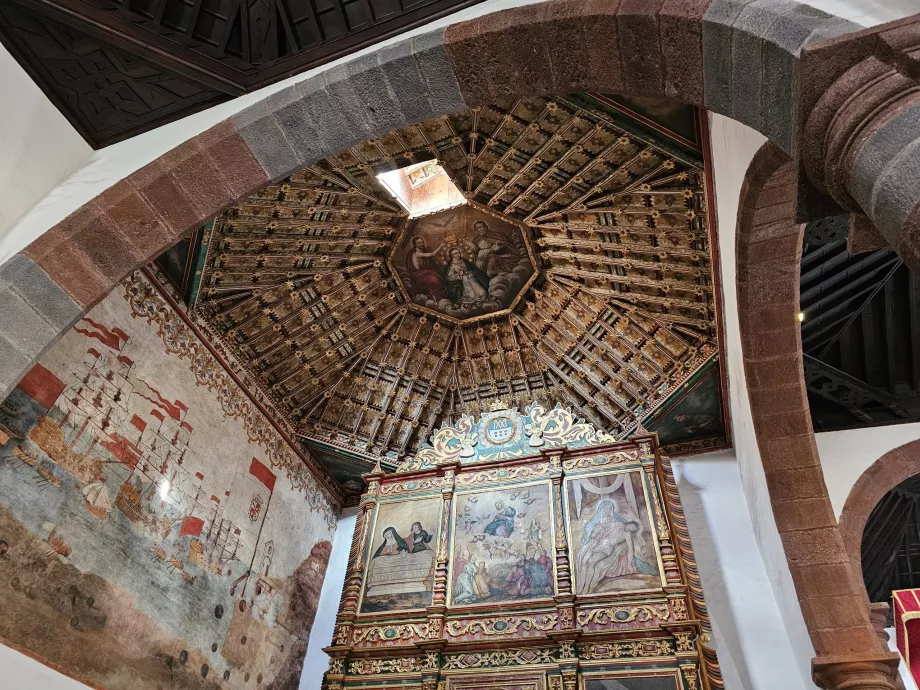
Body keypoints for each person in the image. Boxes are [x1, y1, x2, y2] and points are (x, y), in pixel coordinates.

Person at [575, 499, 657, 595]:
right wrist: (597, 534)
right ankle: (581, 586)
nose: (630, 528)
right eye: (631, 525)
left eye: (633, 529)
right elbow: (603, 530)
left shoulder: (627, 534)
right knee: (584, 561)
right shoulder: (619, 523)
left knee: (591, 562)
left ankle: (588, 588)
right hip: (597, 544)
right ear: (629, 523)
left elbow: (630, 549)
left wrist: (630, 563)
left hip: (606, 548)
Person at [406, 236, 447, 301]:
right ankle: (436, 298)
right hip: (419, 276)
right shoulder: (416, 253)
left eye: (422, 242)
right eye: (419, 243)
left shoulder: (423, 251)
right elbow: (433, 254)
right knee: (434, 280)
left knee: (438, 278)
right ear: (415, 245)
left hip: (424, 273)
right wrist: (441, 245)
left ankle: (437, 297)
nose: (422, 244)